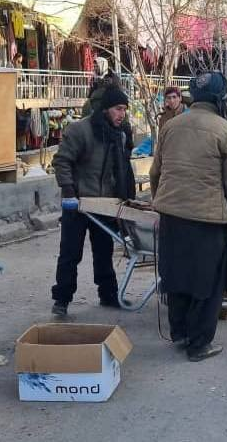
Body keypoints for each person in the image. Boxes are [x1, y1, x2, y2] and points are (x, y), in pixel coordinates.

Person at [150, 71, 227, 362]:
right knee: (208, 284)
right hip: (207, 220)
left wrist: (159, 204)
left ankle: (179, 333)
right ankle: (198, 345)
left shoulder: (171, 126)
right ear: (221, 98)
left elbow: (156, 172)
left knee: (176, 276)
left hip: (171, 216)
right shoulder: (225, 131)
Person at [50, 86, 137, 316]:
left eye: (125, 110)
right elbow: (62, 161)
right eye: (118, 109)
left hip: (104, 203)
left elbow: (122, 170)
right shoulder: (80, 130)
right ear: (106, 108)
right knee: (70, 253)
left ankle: (108, 295)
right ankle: (62, 299)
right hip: (77, 203)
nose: (122, 114)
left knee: (104, 251)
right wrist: (69, 193)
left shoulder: (118, 134)